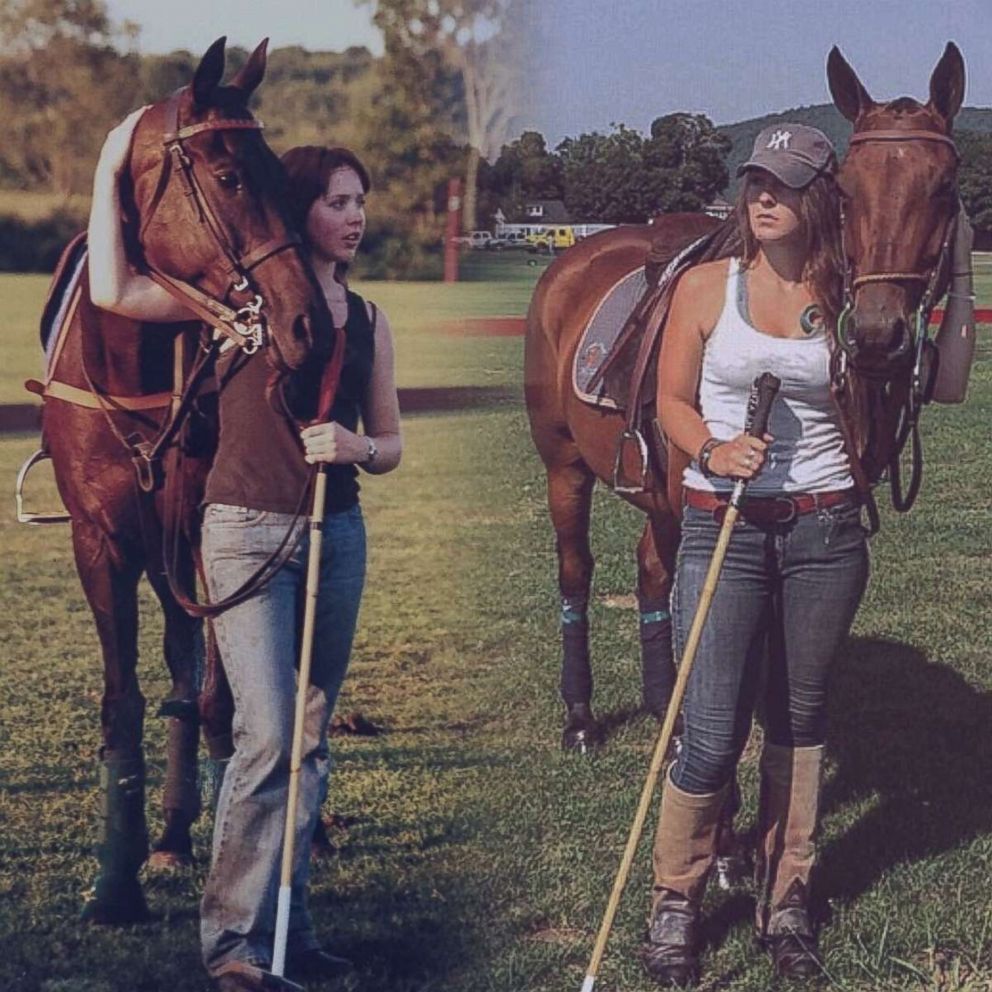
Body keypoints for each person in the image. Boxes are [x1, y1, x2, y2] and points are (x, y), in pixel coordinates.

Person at [89, 112, 402, 991]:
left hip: (337, 535)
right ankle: (232, 946)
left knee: (307, 742)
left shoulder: (371, 318)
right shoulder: (230, 307)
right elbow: (113, 289)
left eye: (360, 203)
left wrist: (355, 450)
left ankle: (288, 933)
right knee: (267, 737)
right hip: (245, 530)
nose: (354, 216)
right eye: (338, 201)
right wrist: (115, 156)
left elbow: (392, 444)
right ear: (299, 209)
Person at [644, 124, 868, 986]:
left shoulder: (844, 294)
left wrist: (957, 280)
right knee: (709, 730)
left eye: (780, 184)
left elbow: (945, 382)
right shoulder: (706, 287)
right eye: (753, 183)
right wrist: (709, 449)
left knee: (801, 725)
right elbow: (670, 400)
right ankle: (676, 906)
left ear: (816, 199)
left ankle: (788, 902)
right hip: (723, 526)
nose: (762, 196)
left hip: (825, 532)